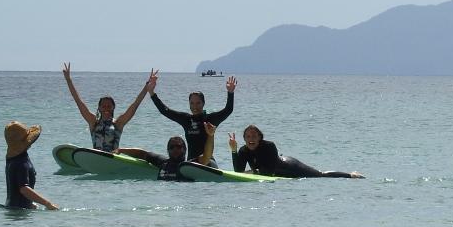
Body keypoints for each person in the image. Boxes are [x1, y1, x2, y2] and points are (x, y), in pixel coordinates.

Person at [62, 63, 157, 153]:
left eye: (109, 106)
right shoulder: (93, 122)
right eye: (103, 106)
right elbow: (78, 101)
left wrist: (147, 87)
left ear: (113, 107)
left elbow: (135, 105)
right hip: (97, 157)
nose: (106, 108)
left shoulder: (118, 123)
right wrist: (68, 80)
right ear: (99, 108)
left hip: (113, 159)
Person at [149, 75, 236, 167]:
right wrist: (151, 92)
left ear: (203, 103)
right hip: (191, 163)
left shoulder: (210, 120)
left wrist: (230, 92)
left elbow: (228, 110)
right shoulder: (186, 119)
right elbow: (165, 111)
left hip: (208, 163)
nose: (195, 106)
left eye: (198, 103)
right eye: (192, 103)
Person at [228, 125, 364, 178]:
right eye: (248, 136)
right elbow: (238, 170)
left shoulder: (269, 146)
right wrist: (234, 150)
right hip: (276, 172)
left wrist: (252, 172)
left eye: (254, 136)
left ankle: (351, 175)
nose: (251, 139)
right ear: (244, 139)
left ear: (260, 137)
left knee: (320, 175)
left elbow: (268, 171)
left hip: (289, 166)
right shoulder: (243, 150)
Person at [128, 122, 217, 181]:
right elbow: (141, 154)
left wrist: (210, 136)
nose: (175, 149)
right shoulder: (162, 162)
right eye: (172, 147)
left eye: (178, 147)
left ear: (185, 149)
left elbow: (206, 157)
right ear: (168, 150)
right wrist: (121, 151)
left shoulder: (189, 166)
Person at [5, 120, 58, 210]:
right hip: (19, 212)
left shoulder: (11, 159)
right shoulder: (21, 163)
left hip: (11, 207)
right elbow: (24, 189)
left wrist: (30, 203)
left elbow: (16, 187)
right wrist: (48, 204)